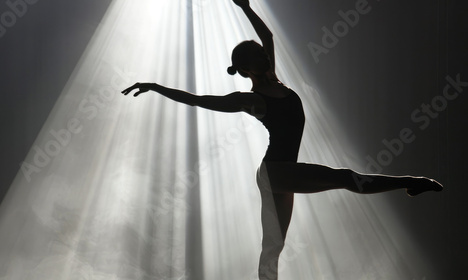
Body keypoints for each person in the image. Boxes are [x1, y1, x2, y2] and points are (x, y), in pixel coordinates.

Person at [121, 0, 443, 279]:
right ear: (248, 69)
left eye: (263, 53)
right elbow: (197, 99)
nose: (265, 53)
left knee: (275, 246)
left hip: (281, 170)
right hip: (275, 171)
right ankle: (412, 181)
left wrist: (245, 7)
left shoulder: (272, 74)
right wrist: (155, 86)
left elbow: (268, 36)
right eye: (258, 55)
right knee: (345, 178)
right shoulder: (252, 99)